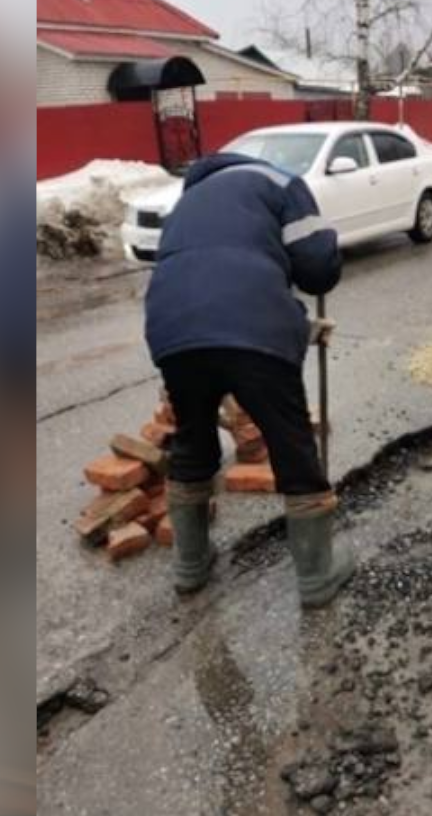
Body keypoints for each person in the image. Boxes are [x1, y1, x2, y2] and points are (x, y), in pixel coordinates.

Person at [144, 152, 353, 607]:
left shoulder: (187, 201)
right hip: (254, 327)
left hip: (172, 332)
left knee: (193, 440)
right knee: (291, 442)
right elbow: (317, 269)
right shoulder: (280, 181)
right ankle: (317, 577)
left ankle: (190, 567)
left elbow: (204, 281)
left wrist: (298, 326)